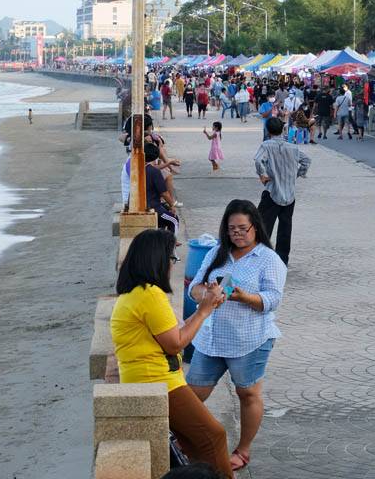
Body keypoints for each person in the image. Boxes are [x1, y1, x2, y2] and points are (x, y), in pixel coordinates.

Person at [110, 229, 233, 478]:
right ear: (156, 259)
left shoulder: (137, 293)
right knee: (213, 436)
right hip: (156, 382)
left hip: (152, 378)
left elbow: (174, 333)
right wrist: (204, 311)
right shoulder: (149, 295)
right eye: (172, 258)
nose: (172, 265)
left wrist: (205, 304)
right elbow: (176, 344)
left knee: (194, 442)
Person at [187, 200, 288, 473]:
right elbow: (194, 287)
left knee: (247, 392)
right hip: (211, 338)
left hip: (250, 338)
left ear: (255, 227)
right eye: (232, 229)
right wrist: (205, 294)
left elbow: (272, 300)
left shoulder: (269, 259)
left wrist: (244, 297)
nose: (237, 234)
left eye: (243, 228)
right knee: (191, 395)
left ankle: (243, 450)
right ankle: (185, 443)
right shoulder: (218, 252)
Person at [254, 117, 311, 265]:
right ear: (282, 129)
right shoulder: (292, 147)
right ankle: (281, 262)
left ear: (268, 130)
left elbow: (258, 160)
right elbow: (306, 161)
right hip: (289, 194)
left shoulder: (266, 146)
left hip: (272, 192)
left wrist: (263, 175)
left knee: (263, 227)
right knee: (285, 229)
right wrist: (297, 174)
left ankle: (260, 258)